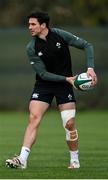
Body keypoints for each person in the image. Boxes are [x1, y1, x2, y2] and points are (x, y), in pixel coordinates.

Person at [6, 11, 97, 169]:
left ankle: (74, 161)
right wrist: (67, 78)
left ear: (43, 25)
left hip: (64, 85)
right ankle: (22, 159)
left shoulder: (60, 35)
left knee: (69, 123)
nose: (30, 27)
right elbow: (43, 73)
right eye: (29, 24)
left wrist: (90, 69)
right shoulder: (31, 47)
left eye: (33, 24)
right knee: (34, 117)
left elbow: (87, 45)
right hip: (44, 84)